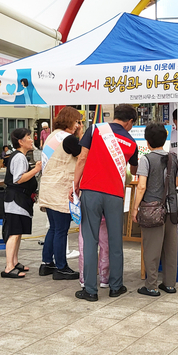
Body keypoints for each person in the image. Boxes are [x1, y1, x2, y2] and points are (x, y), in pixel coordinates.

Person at [72, 104, 139, 301]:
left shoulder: (95, 129)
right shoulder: (131, 142)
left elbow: (82, 158)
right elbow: (133, 170)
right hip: (115, 195)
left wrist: (75, 184)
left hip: (91, 191)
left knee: (90, 240)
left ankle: (90, 290)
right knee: (115, 241)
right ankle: (115, 286)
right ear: (129, 122)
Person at [133, 123, 178, 296]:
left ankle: (151, 286)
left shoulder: (146, 159)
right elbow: (175, 183)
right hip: (171, 208)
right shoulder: (173, 158)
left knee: (152, 248)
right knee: (170, 248)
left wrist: (135, 208)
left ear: (147, 141)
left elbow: (141, 186)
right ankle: (169, 284)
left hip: (152, 209)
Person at [38, 107, 83, 280]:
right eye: (77, 121)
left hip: (48, 187)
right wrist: (80, 134)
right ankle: (61, 267)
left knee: (54, 228)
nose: (78, 125)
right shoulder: (69, 139)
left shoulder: (52, 136)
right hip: (60, 188)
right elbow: (82, 156)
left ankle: (46, 263)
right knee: (61, 230)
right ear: (71, 121)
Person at [0, 128, 41, 278]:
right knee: (14, 233)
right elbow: (18, 179)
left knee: (18, 233)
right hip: (15, 200)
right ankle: (9, 267)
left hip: (20, 200)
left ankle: (14, 262)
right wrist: (36, 169)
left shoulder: (21, 156)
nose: (31, 139)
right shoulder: (18, 157)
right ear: (20, 142)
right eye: (28, 137)